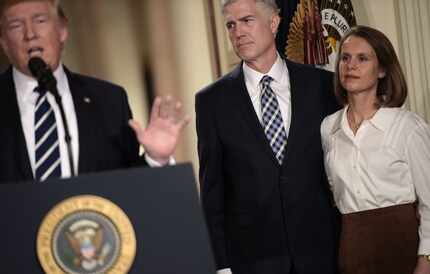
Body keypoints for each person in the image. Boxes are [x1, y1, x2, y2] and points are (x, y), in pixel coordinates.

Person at [195, 0, 339, 273]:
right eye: (231, 25)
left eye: (247, 20)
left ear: (273, 23)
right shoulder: (211, 101)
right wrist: (221, 265)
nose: (238, 32)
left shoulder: (321, 86)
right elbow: (212, 191)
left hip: (321, 255)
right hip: (253, 261)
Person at [0, 0, 189, 183]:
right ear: (4, 42)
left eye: (40, 20)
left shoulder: (110, 101)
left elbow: (130, 187)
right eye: (16, 25)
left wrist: (155, 159)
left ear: (62, 30)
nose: (30, 34)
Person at [320, 25, 430, 274]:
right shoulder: (328, 128)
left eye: (362, 58)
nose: (350, 66)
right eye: (345, 58)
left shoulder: (407, 126)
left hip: (403, 249)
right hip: (352, 250)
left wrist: (426, 260)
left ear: (381, 69)